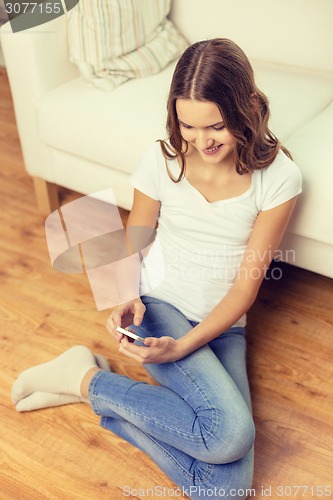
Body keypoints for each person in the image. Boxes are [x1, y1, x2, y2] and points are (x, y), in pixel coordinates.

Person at [11, 39, 302, 499]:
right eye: (187, 124)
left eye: (217, 126)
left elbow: (244, 291)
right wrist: (126, 294)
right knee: (229, 435)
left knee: (223, 488)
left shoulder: (280, 177)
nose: (202, 141)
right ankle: (88, 380)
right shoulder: (162, 160)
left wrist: (183, 346)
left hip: (223, 326)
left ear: (246, 107)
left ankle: (88, 384)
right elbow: (137, 238)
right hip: (159, 306)